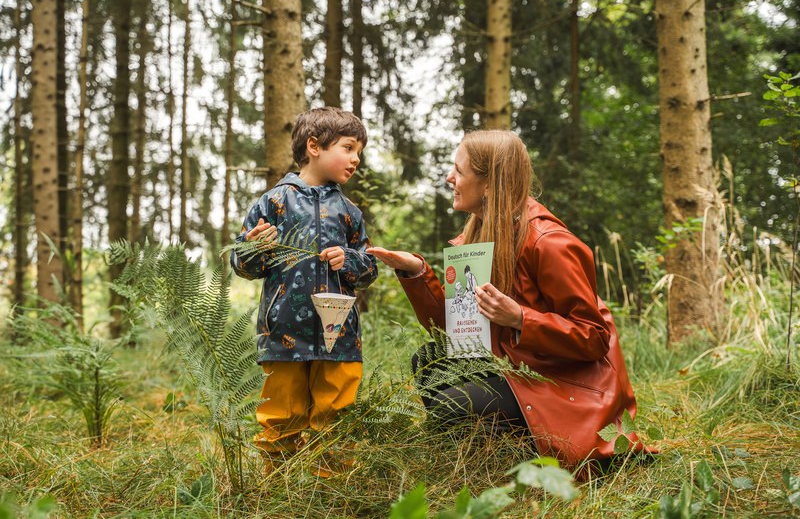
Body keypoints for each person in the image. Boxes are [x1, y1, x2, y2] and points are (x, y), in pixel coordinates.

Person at [367, 130, 651, 472]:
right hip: (519, 366)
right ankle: (503, 445)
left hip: (568, 386)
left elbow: (594, 338)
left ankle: (533, 453)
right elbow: (456, 332)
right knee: (428, 360)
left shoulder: (551, 243)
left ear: (488, 185)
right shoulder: (480, 236)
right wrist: (415, 272)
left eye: (459, 170)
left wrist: (520, 318)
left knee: (450, 405)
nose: (449, 177)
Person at [231, 107, 378, 472]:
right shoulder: (272, 203)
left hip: (340, 335)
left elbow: (369, 267)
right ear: (314, 146)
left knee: (337, 415)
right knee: (280, 414)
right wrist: (255, 248)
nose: (356, 158)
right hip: (283, 332)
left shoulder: (349, 212)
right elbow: (242, 265)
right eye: (348, 148)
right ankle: (276, 486)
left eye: (359, 151)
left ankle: (329, 488)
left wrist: (351, 260)